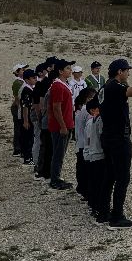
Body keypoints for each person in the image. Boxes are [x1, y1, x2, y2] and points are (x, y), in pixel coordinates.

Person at [99, 59, 132, 229]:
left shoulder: (105, 87)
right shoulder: (114, 86)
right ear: (120, 71)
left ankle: (103, 212)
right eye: (127, 71)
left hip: (109, 136)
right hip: (118, 138)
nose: (128, 74)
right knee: (122, 177)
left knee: (110, 175)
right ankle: (117, 216)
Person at [48, 59, 76, 191]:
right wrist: (63, 126)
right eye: (67, 68)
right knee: (58, 153)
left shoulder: (64, 84)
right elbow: (56, 107)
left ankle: (56, 176)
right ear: (60, 71)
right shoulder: (58, 86)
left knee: (61, 153)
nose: (70, 70)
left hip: (67, 123)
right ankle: (55, 179)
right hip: (61, 126)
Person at [82, 97, 105, 223]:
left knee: (94, 181)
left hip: (91, 154)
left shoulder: (92, 121)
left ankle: (94, 204)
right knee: (97, 182)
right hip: (96, 154)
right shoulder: (94, 122)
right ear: (93, 110)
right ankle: (97, 206)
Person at [73, 87, 97, 199]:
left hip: (80, 143)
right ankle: (84, 190)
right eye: (90, 98)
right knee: (85, 169)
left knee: (82, 167)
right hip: (84, 144)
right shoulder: (86, 111)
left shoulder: (80, 110)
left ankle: (82, 188)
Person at [18, 68, 38, 165]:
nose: (35, 79)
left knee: (29, 137)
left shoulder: (30, 88)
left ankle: (27, 156)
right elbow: (25, 106)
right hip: (27, 117)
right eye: (33, 77)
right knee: (28, 137)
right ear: (27, 79)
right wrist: (25, 121)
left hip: (29, 116)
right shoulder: (26, 90)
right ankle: (27, 158)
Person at [11, 63, 28, 157]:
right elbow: (17, 98)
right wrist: (20, 110)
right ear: (17, 72)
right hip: (18, 107)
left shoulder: (22, 81)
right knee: (18, 128)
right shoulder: (18, 82)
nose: (24, 71)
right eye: (22, 70)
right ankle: (17, 149)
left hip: (20, 106)